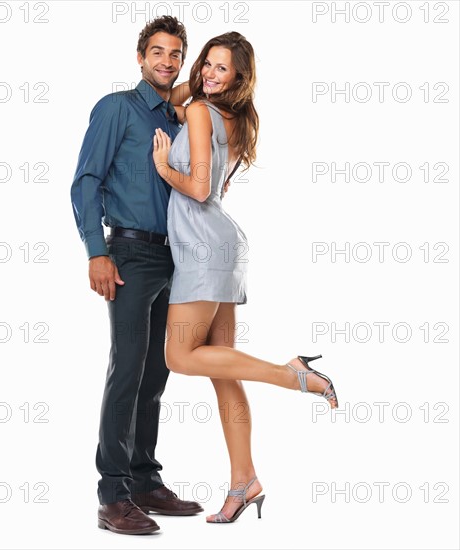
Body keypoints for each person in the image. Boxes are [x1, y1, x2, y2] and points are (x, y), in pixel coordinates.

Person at [152, 31, 339, 524]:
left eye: (222, 68)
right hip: (223, 242)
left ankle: (294, 374)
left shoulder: (197, 112)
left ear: (239, 76)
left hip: (202, 245)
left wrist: (161, 166)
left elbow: (197, 185)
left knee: (179, 355)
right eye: (206, 64)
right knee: (223, 369)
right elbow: (173, 95)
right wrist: (184, 82)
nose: (210, 73)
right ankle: (244, 481)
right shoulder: (235, 118)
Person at [70, 16, 204, 536]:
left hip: (178, 258)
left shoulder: (181, 121)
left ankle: (146, 480)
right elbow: (85, 182)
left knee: (157, 375)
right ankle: (113, 495)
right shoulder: (116, 110)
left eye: (176, 54)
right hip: (127, 253)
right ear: (140, 57)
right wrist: (95, 252)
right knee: (127, 369)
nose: (167, 62)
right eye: (157, 52)